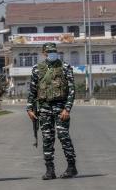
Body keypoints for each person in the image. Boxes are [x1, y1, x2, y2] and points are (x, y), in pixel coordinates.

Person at [26, 42, 78, 180]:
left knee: (64, 136)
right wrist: (29, 108)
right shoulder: (37, 69)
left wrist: (67, 109)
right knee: (47, 139)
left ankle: (72, 167)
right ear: (44, 53)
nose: (52, 53)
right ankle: (50, 170)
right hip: (44, 108)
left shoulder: (65, 67)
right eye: (49, 52)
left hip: (61, 108)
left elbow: (72, 90)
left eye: (53, 51)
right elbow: (32, 91)